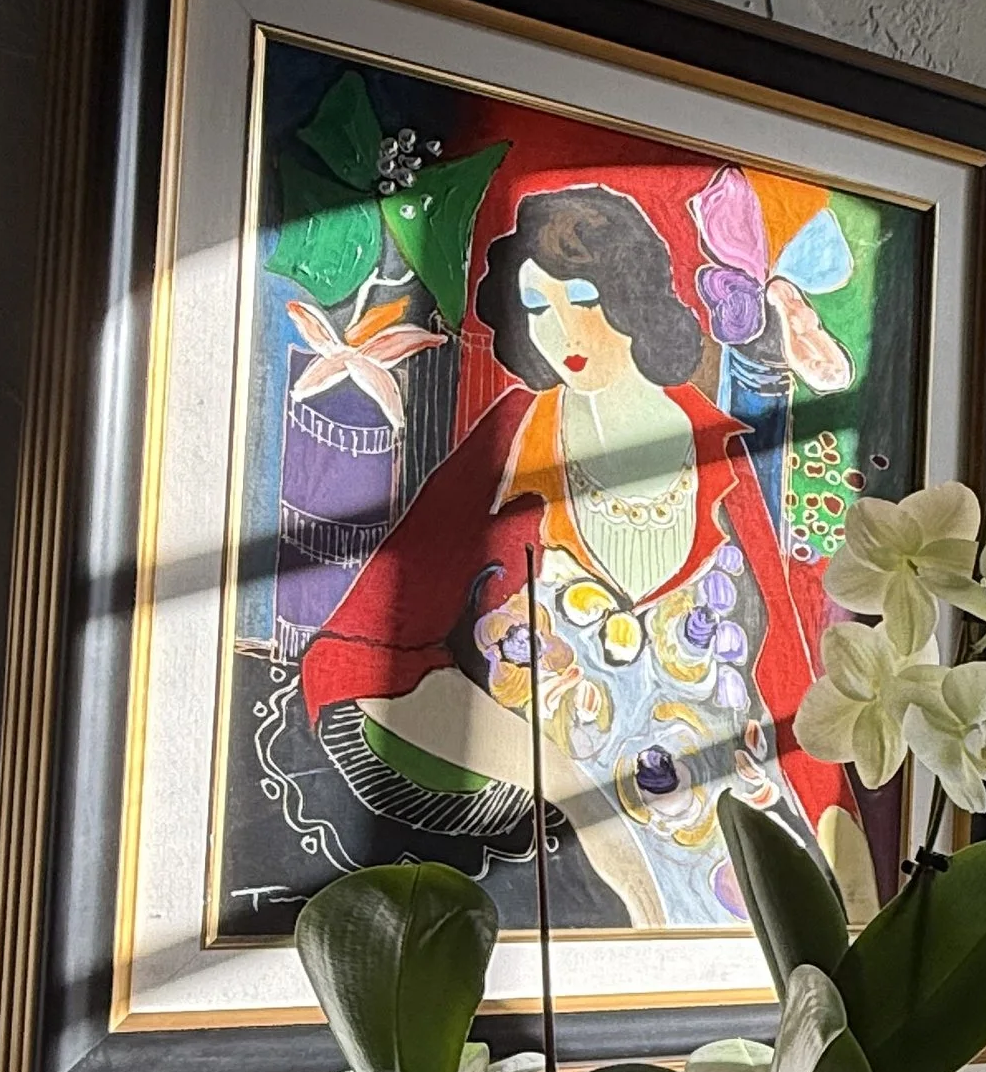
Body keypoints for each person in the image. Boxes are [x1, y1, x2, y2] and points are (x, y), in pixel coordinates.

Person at [301, 182, 871, 930]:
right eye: (537, 308)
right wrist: (568, 787)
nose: (560, 330)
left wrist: (856, 895)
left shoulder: (725, 455)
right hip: (573, 877)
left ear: (632, 299)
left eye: (583, 298)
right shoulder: (506, 449)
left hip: (746, 868)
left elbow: (791, 686)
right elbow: (353, 658)